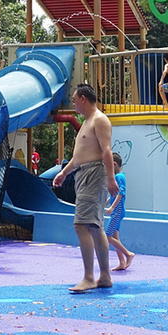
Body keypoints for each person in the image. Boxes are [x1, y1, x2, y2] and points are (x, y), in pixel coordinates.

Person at [53, 83, 120, 291]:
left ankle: (90, 277)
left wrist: (111, 178)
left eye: (74, 99)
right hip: (84, 174)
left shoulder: (99, 120)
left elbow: (107, 151)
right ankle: (105, 276)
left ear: (83, 99)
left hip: (94, 174)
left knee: (82, 224)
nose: (73, 103)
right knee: (94, 225)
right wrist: (64, 173)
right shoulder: (87, 122)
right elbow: (79, 156)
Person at [104, 151, 135, 271]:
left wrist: (112, 207)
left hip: (117, 211)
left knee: (107, 236)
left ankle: (128, 254)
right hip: (117, 210)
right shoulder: (120, 176)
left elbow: (121, 193)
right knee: (115, 237)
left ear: (114, 164)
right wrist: (107, 202)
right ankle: (122, 262)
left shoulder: (118, 177)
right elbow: (115, 193)